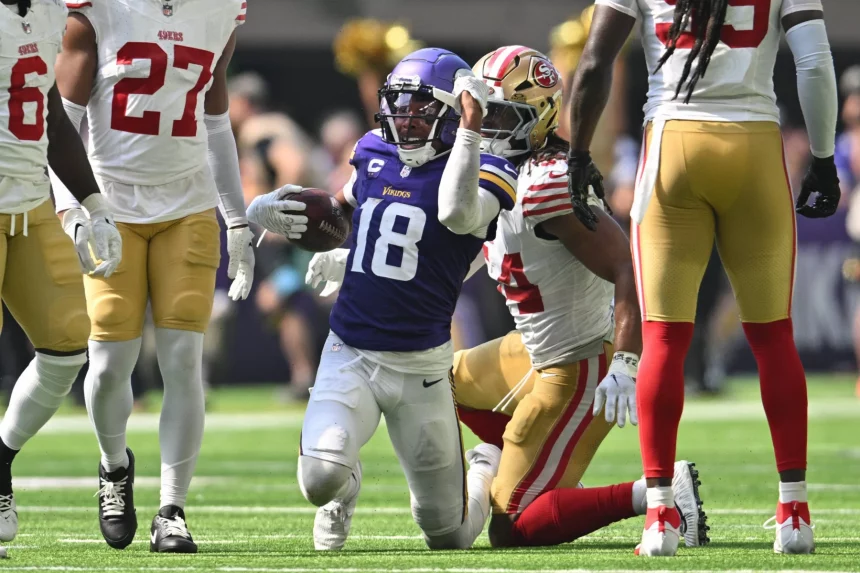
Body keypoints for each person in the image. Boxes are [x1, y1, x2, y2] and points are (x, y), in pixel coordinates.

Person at [566, 0, 839, 557]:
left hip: (673, 142)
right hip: (755, 146)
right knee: (774, 336)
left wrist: (577, 154)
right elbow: (813, 62)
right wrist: (824, 157)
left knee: (664, 338)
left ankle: (660, 516)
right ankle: (794, 514)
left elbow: (594, 62)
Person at [248, 47, 518, 551]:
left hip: (422, 366)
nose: (405, 118)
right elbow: (345, 211)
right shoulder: (374, 150)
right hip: (351, 349)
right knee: (320, 478)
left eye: (421, 108)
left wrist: (471, 129)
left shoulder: (488, 166)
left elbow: (457, 215)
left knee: (450, 536)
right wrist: (283, 212)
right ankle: (343, 492)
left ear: (455, 111)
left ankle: (483, 467)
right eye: (399, 104)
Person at [449, 45, 708, 549]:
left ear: (539, 118)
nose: (489, 128)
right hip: (532, 351)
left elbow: (628, 268)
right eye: (483, 113)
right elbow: (468, 249)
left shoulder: (546, 184)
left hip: (576, 366)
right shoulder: (495, 172)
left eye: (503, 117)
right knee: (433, 382)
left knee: (512, 527)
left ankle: (657, 495)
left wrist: (627, 362)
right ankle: (541, 478)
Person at [50, 0, 255, 553]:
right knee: (109, 363)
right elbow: (61, 119)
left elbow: (215, 120)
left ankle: (172, 510)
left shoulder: (220, 12)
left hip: (188, 205)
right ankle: (114, 466)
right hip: (110, 203)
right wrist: (73, 210)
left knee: (184, 359)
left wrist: (236, 218)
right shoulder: (96, 11)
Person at [0, 0, 122, 543]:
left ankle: (0, 458)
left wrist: (93, 204)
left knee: (69, 343)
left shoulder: (49, 12)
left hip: (30, 204)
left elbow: (48, 109)